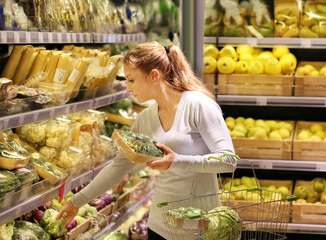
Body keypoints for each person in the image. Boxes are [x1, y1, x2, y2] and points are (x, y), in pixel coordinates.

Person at [56, 41, 238, 239]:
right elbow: (118, 167)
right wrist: (76, 202)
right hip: (160, 226)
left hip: (201, 227)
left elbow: (228, 160)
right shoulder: (144, 119)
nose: (127, 88)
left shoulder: (198, 105)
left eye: (131, 80)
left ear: (153, 76)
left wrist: (177, 160)